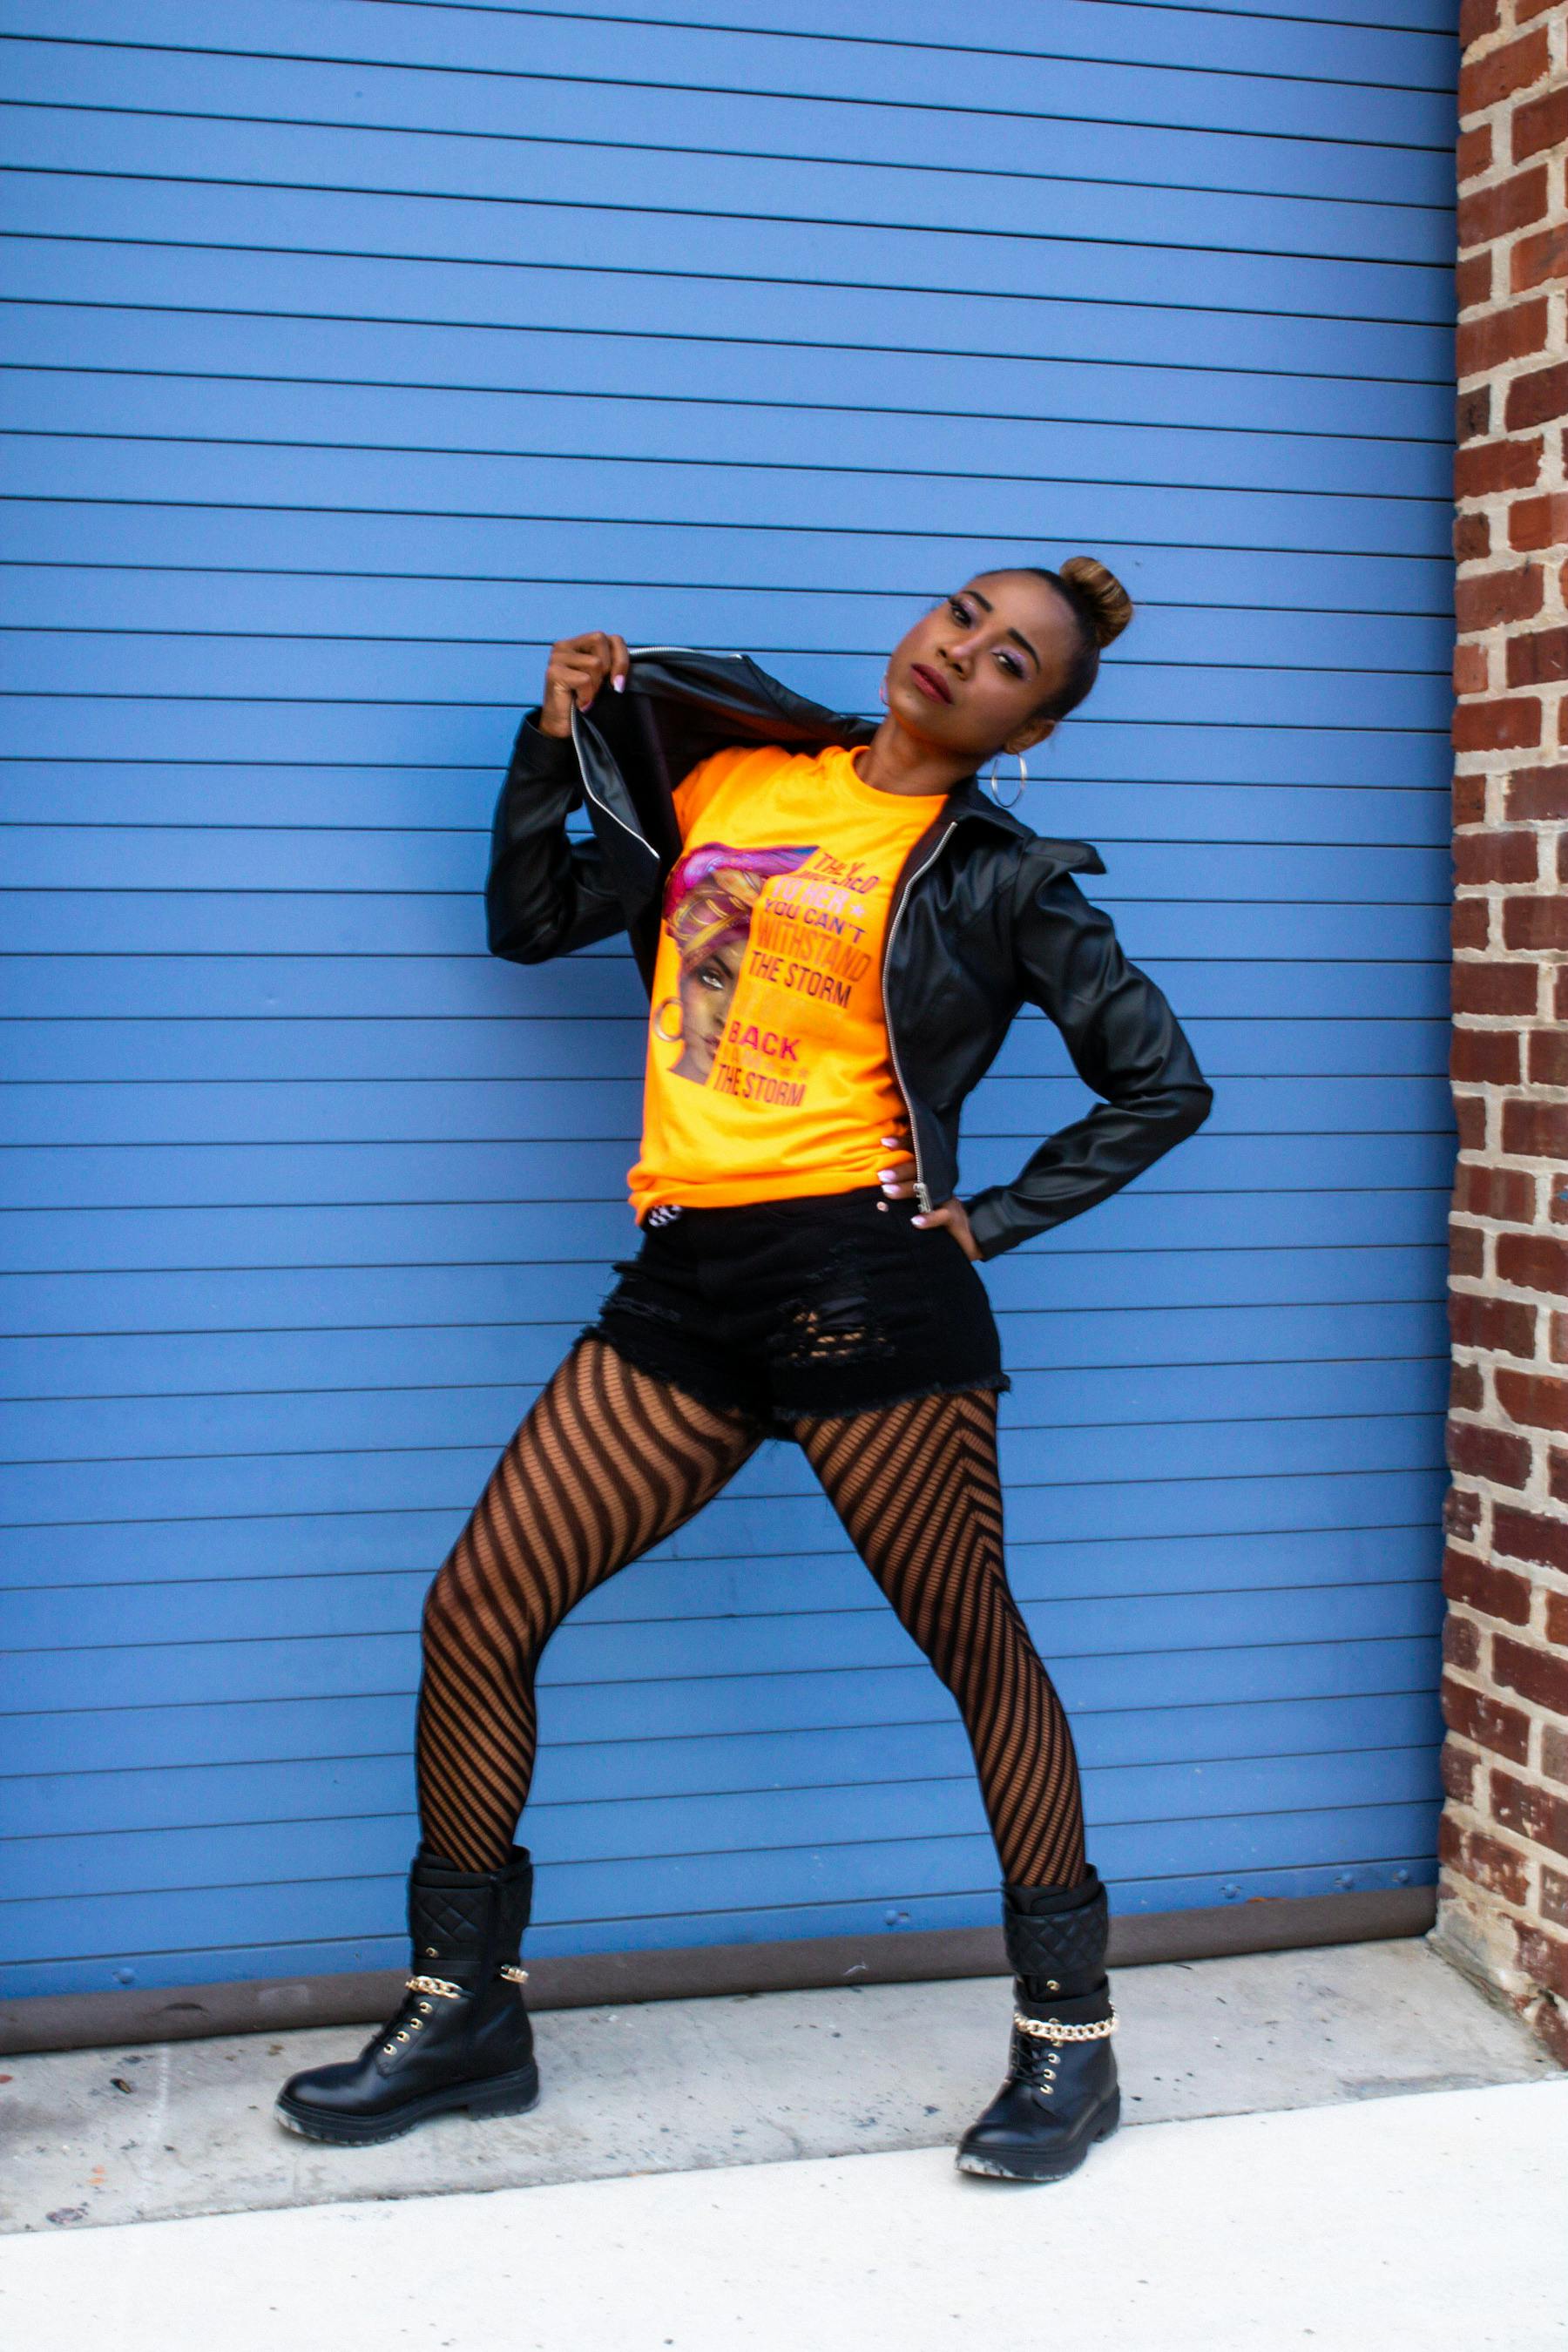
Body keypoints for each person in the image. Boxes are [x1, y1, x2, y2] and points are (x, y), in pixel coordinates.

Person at [275, 560, 1213, 2183]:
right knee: (480, 1605)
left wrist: (982, 1224)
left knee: (978, 1652)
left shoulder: (996, 870)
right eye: (960, 618)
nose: (960, 654)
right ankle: (466, 2011)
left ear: (1031, 727)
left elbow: (1159, 1082)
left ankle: (1070, 2044)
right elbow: (531, 922)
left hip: (867, 1292)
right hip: (689, 1278)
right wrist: (550, 735)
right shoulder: (732, 774)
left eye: (1007, 663)